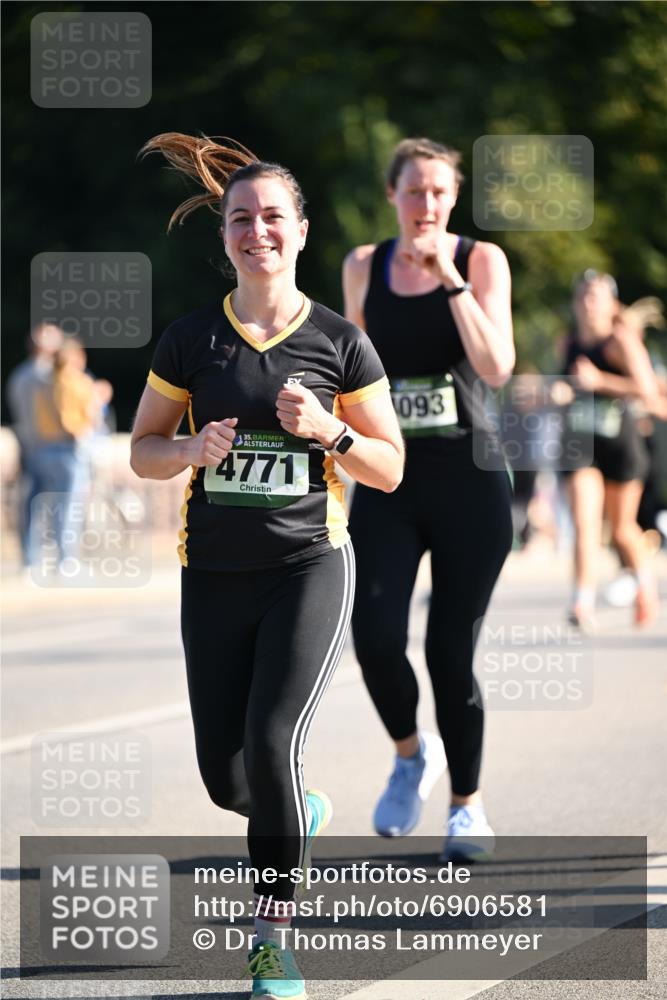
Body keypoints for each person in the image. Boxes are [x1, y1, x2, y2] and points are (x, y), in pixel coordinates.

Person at [130, 132, 403, 999]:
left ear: (300, 230)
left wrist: (330, 432)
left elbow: (389, 468)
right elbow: (140, 451)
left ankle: (270, 941)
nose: (257, 232)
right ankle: (297, 813)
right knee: (227, 778)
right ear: (224, 238)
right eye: (242, 219)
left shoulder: (339, 342)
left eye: (273, 217)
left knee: (272, 738)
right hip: (210, 573)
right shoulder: (188, 340)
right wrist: (188, 448)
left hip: (308, 567)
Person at [342, 137, 514, 862]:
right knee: (375, 635)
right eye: (414, 191)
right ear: (392, 195)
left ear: (454, 197)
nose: (427, 205)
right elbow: (346, 368)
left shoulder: (480, 261)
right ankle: (411, 754)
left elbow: (496, 366)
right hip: (388, 480)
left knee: (449, 653)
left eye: (440, 192)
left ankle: (466, 806)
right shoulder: (362, 265)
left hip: (470, 484)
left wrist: (449, 278)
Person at [561, 271, 660, 629]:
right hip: (580, 444)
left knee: (621, 530)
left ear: (610, 304)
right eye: (584, 295)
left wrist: (600, 381)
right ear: (575, 302)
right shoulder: (568, 342)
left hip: (621, 444)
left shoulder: (620, 341)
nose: (589, 302)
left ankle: (645, 586)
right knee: (585, 524)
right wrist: (558, 394)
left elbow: (647, 389)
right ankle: (581, 603)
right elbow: (565, 386)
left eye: (597, 296)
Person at [6, 322, 64, 570]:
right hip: (48, 448)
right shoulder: (46, 377)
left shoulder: (19, 375)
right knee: (53, 505)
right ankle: (57, 558)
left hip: (33, 448)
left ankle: (33, 560)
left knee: (34, 506)